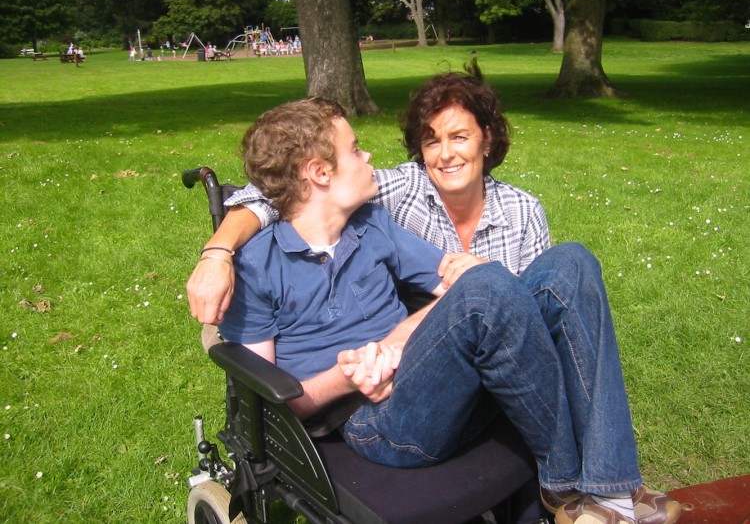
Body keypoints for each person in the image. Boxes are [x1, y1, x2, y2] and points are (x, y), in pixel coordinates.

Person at [187, 70, 682, 524]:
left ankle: (611, 493)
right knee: (486, 286)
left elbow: (457, 281)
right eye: (356, 150)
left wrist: (414, 325)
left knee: (569, 263)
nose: (369, 158)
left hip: (435, 378)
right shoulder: (255, 268)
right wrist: (346, 374)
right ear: (319, 172)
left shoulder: (373, 223)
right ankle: (567, 489)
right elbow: (269, 408)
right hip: (375, 421)